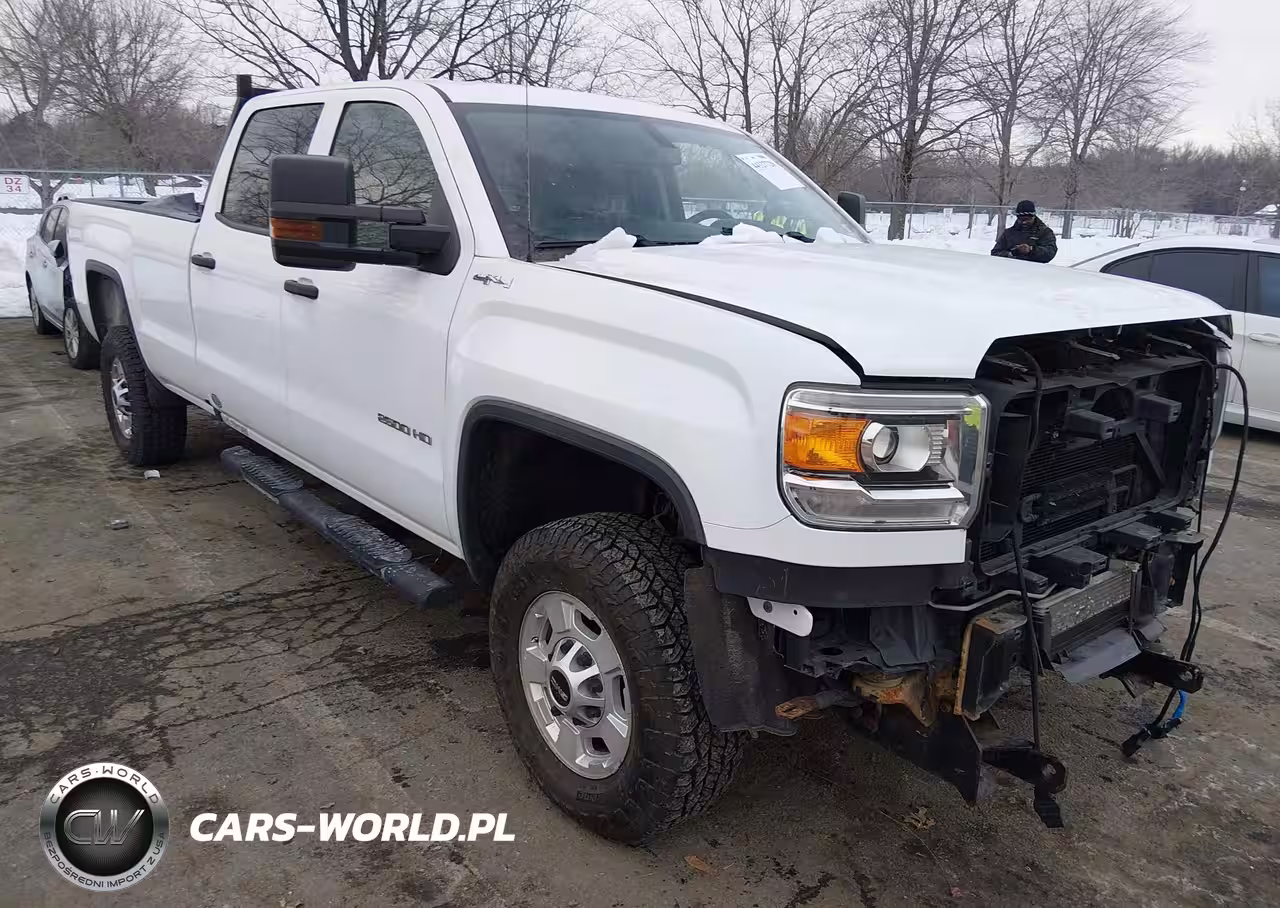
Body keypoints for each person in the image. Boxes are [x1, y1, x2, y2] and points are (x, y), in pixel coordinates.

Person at [991, 200, 1057, 263]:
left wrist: (1031, 250)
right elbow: (995, 253)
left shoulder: (1045, 232)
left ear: (1033, 217)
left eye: (1027, 219)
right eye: (1021, 219)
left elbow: (1050, 252)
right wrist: (1012, 253)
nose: (1024, 222)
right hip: (1010, 269)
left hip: (1035, 269)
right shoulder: (1009, 233)